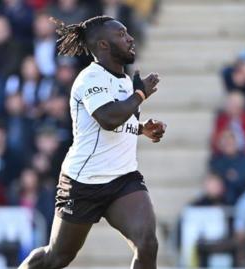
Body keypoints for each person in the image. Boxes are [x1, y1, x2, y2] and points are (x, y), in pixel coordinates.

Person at [19, 16, 165, 269]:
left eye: (128, 32)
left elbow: (118, 123)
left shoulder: (125, 80)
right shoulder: (90, 79)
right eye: (121, 34)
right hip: (83, 182)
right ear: (103, 45)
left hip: (123, 178)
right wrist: (140, 94)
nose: (130, 38)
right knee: (57, 258)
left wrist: (142, 129)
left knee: (148, 243)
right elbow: (107, 119)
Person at [211, 92, 245, 157]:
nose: (231, 107)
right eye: (230, 104)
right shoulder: (222, 120)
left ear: (241, 106)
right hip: (225, 155)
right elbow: (215, 141)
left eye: (235, 105)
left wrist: (244, 154)